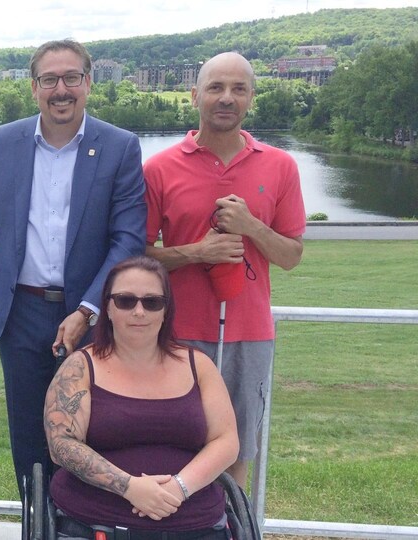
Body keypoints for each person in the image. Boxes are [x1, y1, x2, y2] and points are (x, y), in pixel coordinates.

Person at [0, 39, 147, 487]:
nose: (61, 89)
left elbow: (128, 241)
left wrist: (88, 310)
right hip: (20, 317)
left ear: (88, 84)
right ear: (34, 87)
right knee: (30, 441)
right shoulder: (5, 142)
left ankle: (78, 525)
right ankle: (37, 523)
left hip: (90, 317)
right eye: (49, 79)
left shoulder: (119, 147)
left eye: (71, 77)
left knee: (89, 435)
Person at [143, 52, 305, 486]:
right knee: (173, 447)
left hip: (248, 335)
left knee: (236, 449)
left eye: (238, 89)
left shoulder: (280, 166)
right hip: (173, 332)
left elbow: (290, 255)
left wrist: (251, 226)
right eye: (216, 87)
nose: (226, 98)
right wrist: (198, 252)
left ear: (252, 97)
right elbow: (136, 257)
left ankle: (228, 530)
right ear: (196, 95)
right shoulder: (159, 168)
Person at [45, 256, 238, 539]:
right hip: (97, 519)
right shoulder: (79, 367)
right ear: (108, 308)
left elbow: (226, 440)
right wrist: (130, 488)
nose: (139, 311)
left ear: (165, 310)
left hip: (194, 520)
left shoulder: (199, 366)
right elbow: (61, 444)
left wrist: (178, 488)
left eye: (152, 302)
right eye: (125, 301)